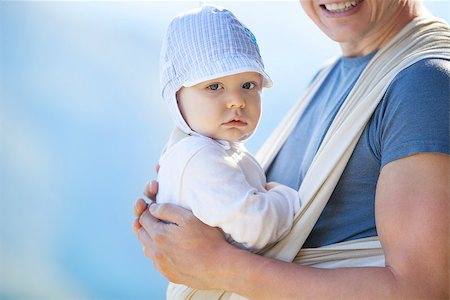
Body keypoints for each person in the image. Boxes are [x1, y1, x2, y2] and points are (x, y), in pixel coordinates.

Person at [134, 0, 450, 299]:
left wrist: (217, 265)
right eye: (214, 87)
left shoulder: (423, 85)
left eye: (247, 86)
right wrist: (181, 207)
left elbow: (422, 291)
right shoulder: (328, 76)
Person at [157, 6, 300, 255]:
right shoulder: (201, 158)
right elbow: (257, 227)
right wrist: (286, 196)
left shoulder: (214, 151)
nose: (236, 100)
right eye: (214, 86)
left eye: (248, 85)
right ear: (176, 97)